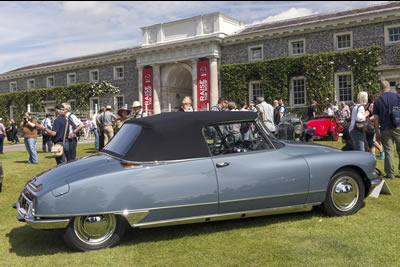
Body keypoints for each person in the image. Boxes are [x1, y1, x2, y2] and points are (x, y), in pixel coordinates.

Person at [373, 80, 400, 179]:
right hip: (398, 126)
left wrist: (377, 132)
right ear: (389, 87)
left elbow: (376, 118)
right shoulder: (397, 97)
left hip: (385, 128)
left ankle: (390, 174)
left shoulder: (377, 101)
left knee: (389, 152)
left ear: (380, 89)